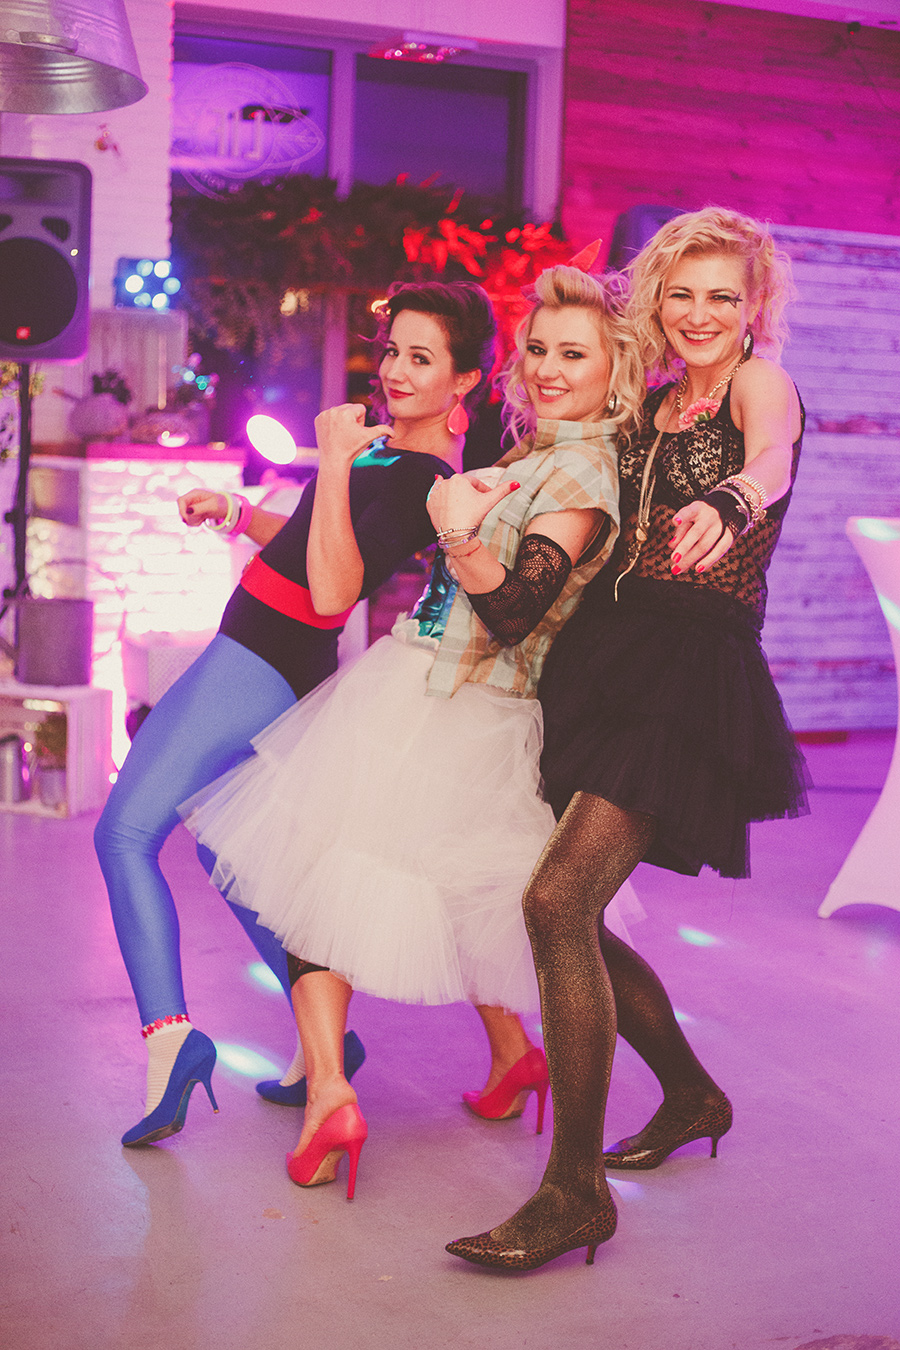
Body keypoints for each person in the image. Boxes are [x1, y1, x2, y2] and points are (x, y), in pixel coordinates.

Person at [182, 264, 646, 1196]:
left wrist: (459, 531)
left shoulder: (581, 472)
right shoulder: (538, 451)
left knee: (318, 872)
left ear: (616, 371)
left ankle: (329, 1095)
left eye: (574, 355)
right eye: (540, 350)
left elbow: (513, 612)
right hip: (431, 680)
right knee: (443, 883)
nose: (548, 370)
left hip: (457, 698)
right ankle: (513, 1057)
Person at [446, 207, 809, 1270]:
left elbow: (776, 455)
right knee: (579, 915)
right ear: (656, 298)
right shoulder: (650, 401)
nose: (700, 314)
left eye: (722, 296)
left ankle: (574, 1195)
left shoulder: (759, 385)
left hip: (688, 672)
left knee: (556, 903)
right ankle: (691, 1092)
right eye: (681, 293)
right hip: (604, 661)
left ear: (753, 306)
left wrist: (736, 498)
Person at [94, 279, 498, 1147]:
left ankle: (172, 1041)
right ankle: (328, 1044)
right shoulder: (383, 452)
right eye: (394, 352)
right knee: (230, 848)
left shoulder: (423, 479)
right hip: (262, 653)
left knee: (123, 834)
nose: (396, 372)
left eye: (423, 359)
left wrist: (335, 459)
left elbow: (333, 589)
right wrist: (241, 512)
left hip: (263, 660)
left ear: (464, 380)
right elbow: (316, 534)